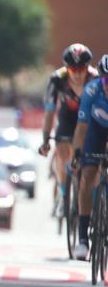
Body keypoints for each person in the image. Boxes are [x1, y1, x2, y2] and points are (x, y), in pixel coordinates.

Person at [38, 43, 97, 215]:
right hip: (67, 117)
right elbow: (49, 113)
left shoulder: (95, 78)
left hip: (89, 118)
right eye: (73, 70)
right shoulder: (57, 79)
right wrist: (45, 139)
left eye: (81, 70)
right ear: (66, 69)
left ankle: (94, 199)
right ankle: (64, 195)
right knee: (63, 151)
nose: (78, 75)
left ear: (87, 68)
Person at [70, 54, 108, 260]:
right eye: (106, 80)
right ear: (100, 79)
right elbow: (81, 129)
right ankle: (83, 239)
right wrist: (77, 154)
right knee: (87, 177)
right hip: (95, 131)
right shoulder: (92, 91)